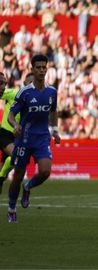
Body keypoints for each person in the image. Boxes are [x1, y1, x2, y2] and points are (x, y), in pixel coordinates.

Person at [6, 54, 60, 223]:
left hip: (42, 138)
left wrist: (55, 130)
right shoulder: (25, 92)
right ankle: (11, 208)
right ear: (32, 69)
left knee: (45, 171)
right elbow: (11, 115)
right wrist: (15, 125)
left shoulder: (52, 92)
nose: (42, 70)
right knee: (18, 175)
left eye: (44, 67)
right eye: (38, 67)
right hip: (24, 139)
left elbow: (53, 111)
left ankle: (28, 187)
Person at [0, 73, 35, 194]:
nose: (32, 85)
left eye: (33, 83)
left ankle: (1, 178)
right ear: (24, 83)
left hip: (17, 137)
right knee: (16, 156)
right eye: (29, 83)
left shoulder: (34, 102)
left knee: (7, 166)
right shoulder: (14, 93)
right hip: (5, 133)